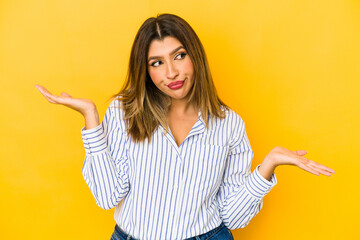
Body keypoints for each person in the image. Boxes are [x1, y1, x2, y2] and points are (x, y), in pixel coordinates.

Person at [35, 13, 335, 240]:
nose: (172, 72)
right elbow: (107, 196)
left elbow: (233, 216)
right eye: (156, 62)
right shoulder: (125, 112)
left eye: (179, 55)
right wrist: (91, 120)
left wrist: (268, 165)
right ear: (145, 70)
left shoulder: (228, 124)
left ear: (195, 56)